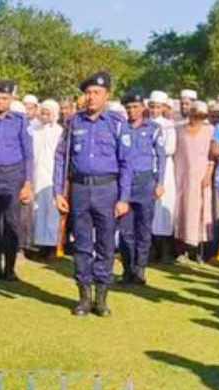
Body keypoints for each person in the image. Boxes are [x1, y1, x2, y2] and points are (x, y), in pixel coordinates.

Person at [53, 71, 131, 317]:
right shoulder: (73, 122)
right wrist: (58, 191)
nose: (91, 97)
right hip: (80, 189)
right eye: (87, 93)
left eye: (96, 93)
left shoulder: (117, 123)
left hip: (107, 189)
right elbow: (60, 158)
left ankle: (101, 297)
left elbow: (127, 163)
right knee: (82, 245)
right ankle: (84, 297)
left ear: (107, 95)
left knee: (106, 245)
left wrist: (124, 198)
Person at [0, 80, 33, 281]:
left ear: (11, 99)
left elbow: (28, 154)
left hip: (13, 176)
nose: (0, 101)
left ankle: (10, 269)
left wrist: (28, 182)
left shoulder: (19, 121)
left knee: (11, 223)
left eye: (4, 98)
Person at [118, 91, 165, 284]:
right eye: (128, 107)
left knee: (144, 230)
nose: (131, 111)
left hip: (146, 183)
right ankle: (127, 269)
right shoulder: (120, 128)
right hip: (125, 185)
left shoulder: (154, 128)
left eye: (135, 107)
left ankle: (140, 270)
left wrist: (160, 183)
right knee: (125, 231)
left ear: (143, 107)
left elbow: (161, 157)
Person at [174, 101, 215, 261]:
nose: (196, 118)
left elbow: (212, 155)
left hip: (201, 176)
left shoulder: (210, 130)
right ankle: (182, 250)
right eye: (194, 114)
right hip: (182, 175)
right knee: (183, 211)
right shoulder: (179, 129)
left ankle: (198, 251)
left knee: (200, 211)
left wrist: (208, 174)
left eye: (200, 116)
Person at [148, 91, 178, 262]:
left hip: (165, 169)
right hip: (148, 168)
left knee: (165, 206)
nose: (154, 110)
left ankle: (166, 250)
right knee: (150, 209)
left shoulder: (169, 125)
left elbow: (170, 148)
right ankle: (151, 248)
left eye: (157, 107)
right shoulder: (145, 124)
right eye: (152, 107)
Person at [31, 99, 63, 254]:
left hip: (52, 176)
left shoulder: (59, 131)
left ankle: (50, 246)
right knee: (36, 209)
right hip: (36, 174)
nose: (44, 115)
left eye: (48, 112)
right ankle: (36, 243)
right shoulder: (33, 130)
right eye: (42, 112)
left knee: (51, 210)